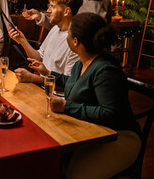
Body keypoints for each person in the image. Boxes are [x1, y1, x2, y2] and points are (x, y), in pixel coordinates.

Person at [32, 13, 141, 179]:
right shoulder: (81, 62)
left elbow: (110, 113)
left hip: (118, 137)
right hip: (90, 133)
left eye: (68, 33)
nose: (66, 37)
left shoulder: (105, 70)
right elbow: (75, 83)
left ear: (76, 42)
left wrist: (66, 106)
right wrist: (45, 73)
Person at [9, 0, 82, 85]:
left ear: (66, 11)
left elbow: (69, 84)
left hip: (57, 96)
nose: (48, 10)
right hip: (42, 88)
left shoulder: (76, 42)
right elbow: (39, 58)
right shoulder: (55, 29)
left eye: (52, 7)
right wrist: (23, 41)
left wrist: (33, 78)